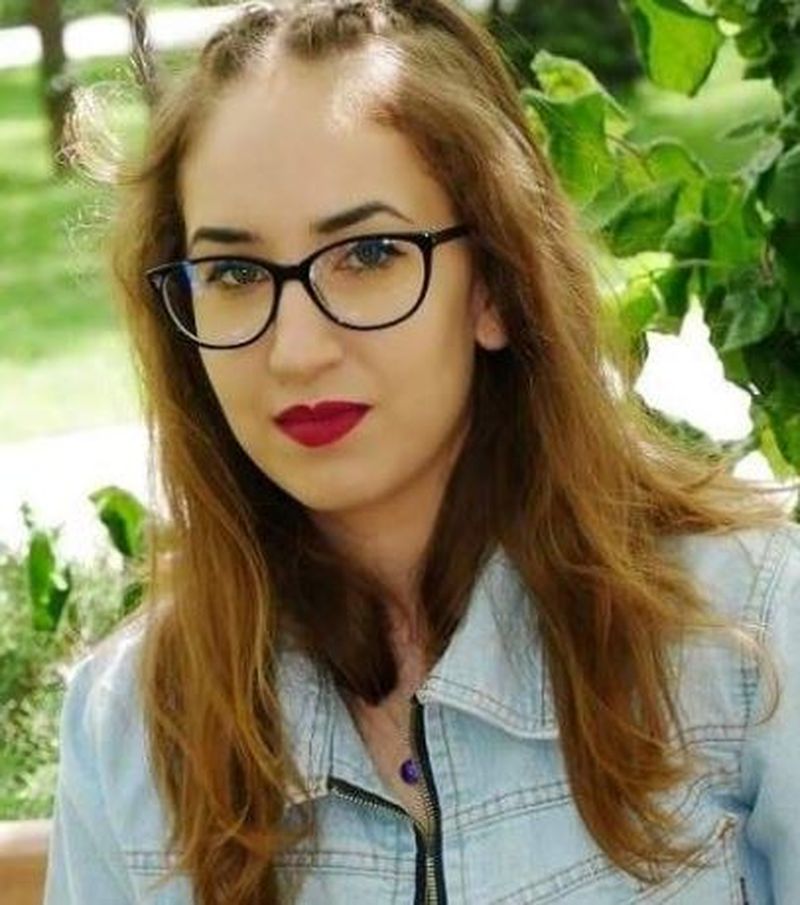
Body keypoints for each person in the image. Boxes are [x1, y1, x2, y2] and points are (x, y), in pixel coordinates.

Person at [43, 1, 800, 903]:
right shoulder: (128, 727)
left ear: (494, 286)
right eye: (234, 274)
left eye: (368, 255)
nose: (296, 350)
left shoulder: (747, 634)